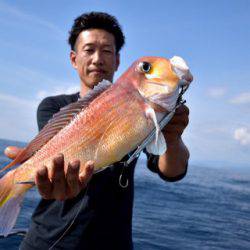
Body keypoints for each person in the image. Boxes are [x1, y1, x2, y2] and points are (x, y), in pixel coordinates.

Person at [5, 12, 190, 250]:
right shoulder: (52, 106)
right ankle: (12, 184)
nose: (97, 59)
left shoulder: (148, 112)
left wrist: (173, 139)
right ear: (74, 58)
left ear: (117, 61)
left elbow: (171, 172)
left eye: (106, 51)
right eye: (89, 49)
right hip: (44, 241)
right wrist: (27, 168)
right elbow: (56, 153)